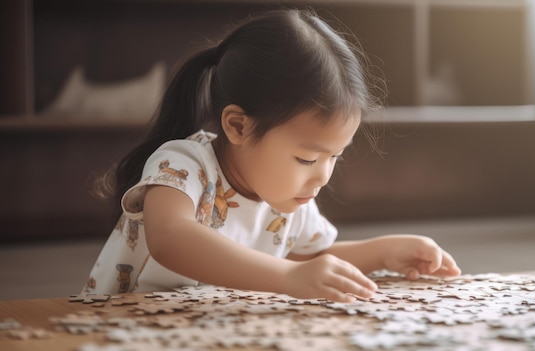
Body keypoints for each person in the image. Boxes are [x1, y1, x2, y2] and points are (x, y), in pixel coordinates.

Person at [83, 9, 461, 303]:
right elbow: (172, 239)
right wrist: (285, 279)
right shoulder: (183, 164)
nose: (323, 177)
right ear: (238, 126)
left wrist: (382, 252)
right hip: (123, 329)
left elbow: (309, 260)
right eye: (307, 159)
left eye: (335, 157)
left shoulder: (290, 197)